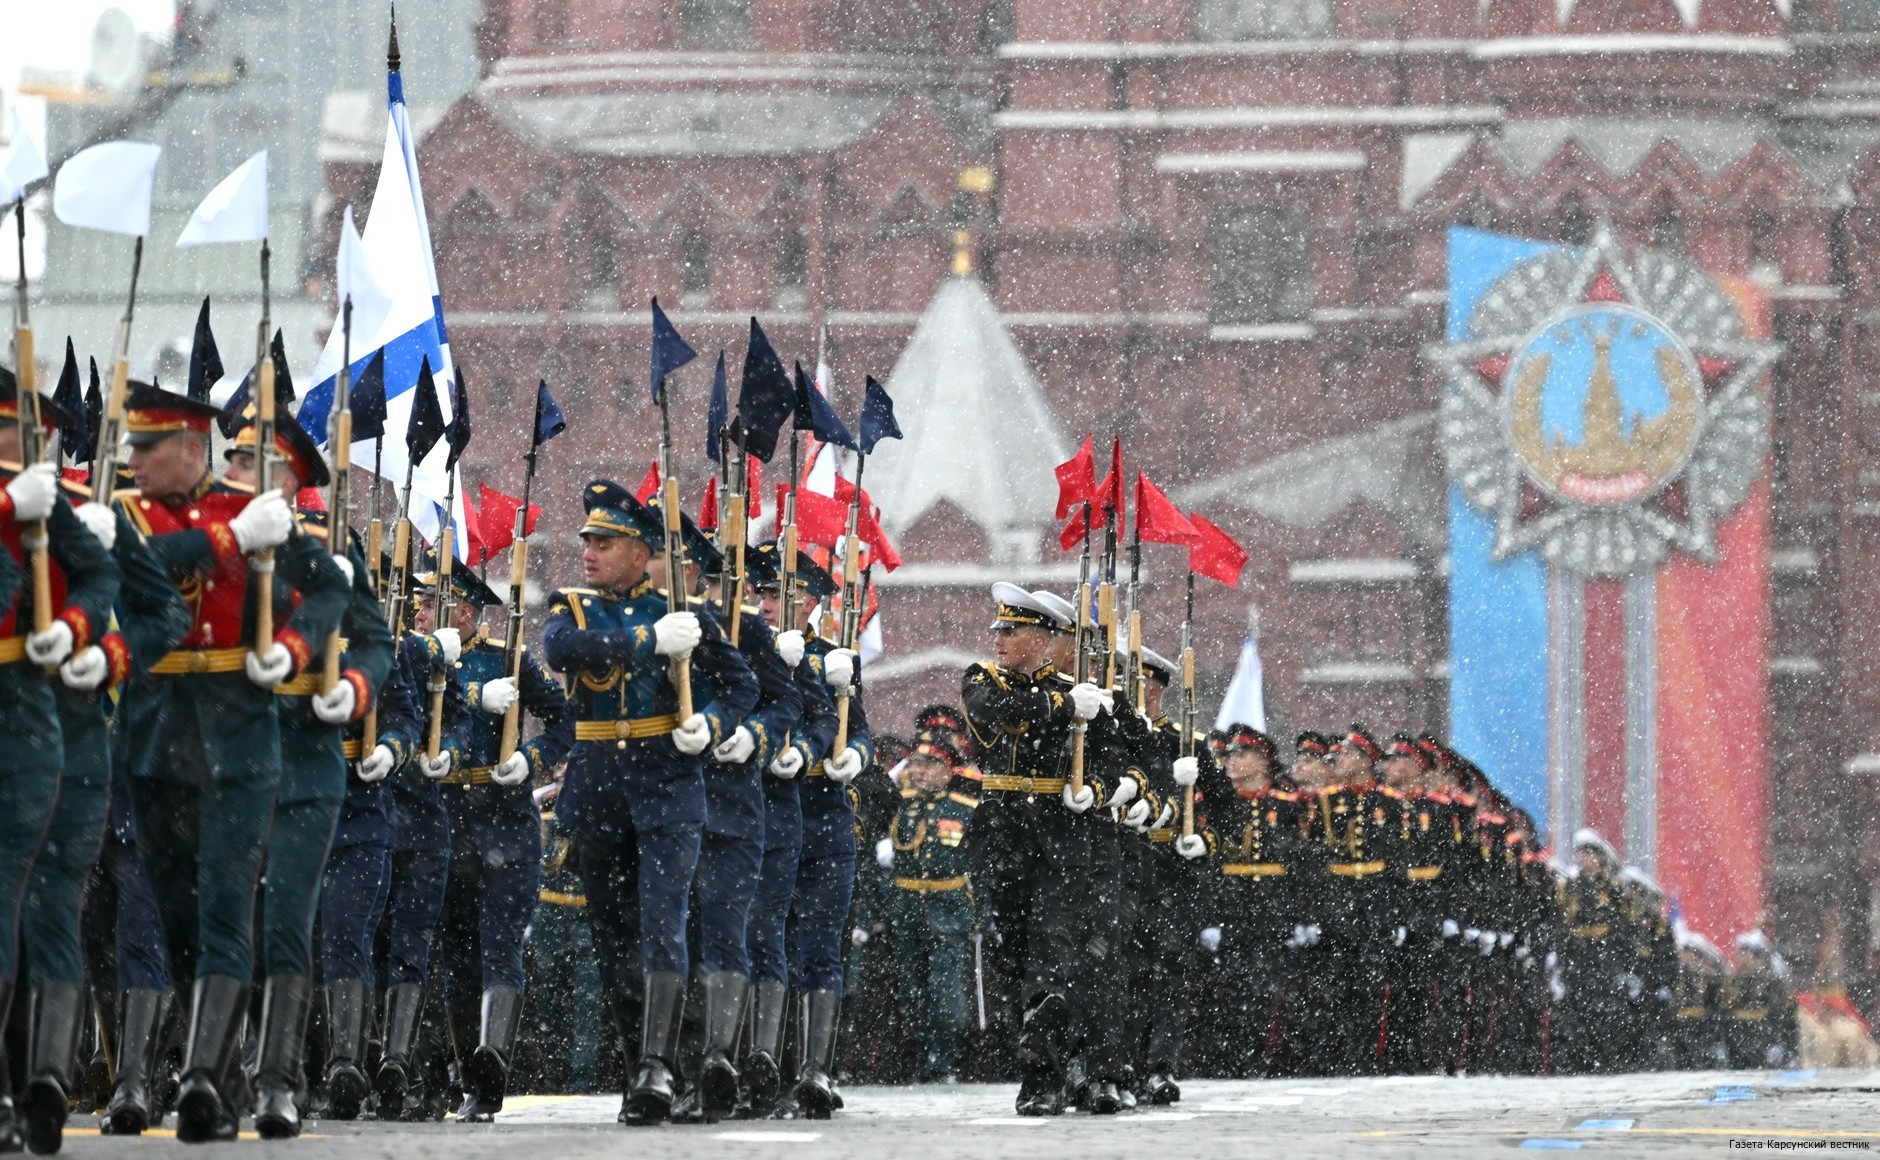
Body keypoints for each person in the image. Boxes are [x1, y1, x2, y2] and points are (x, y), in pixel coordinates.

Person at [113, 382, 349, 1142]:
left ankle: (206, 1078)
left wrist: (296, 648)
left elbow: (334, 591)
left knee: (227, 910)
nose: (136, 461)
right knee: (176, 916)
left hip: (240, 740)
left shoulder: (249, 514)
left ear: (190, 449)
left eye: (149, 449)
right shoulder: (123, 515)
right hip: (154, 738)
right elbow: (135, 566)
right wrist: (228, 542)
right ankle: (211, 1062)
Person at [540, 480, 757, 1125]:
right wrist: (646, 644)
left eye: (605, 543)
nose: (590, 553)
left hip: (668, 786)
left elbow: (741, 687)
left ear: (640, 551)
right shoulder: (573, 608)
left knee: (665, 924)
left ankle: (661, 1067)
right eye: (587, 542)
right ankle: (646, 1062)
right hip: (600, 790)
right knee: (616, 937)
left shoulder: (684, 613)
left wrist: (712, 726)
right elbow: (560, 651)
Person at [220, 409, 398, 1138]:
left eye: (247, 461)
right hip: (218, 750)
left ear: (288, 480)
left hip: (302, 753)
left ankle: (275, 1081)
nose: (230, 470)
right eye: (228, 457)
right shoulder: (202, 536)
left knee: (288, 917)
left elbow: (376, 642)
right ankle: (216, 1064)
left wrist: (351, 688)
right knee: (224, 919)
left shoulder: (330, 546)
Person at [0, 371, 126, 1153]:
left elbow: (115, 586)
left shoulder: (56, 508)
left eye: (19, 433)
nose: (15, 446)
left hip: (30, 721)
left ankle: (29, 1085)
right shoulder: (20, 507)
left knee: (30, 904)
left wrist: (81, 630)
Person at [958, 583, 1120, 1116]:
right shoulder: (984, 678)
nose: (1000, 640)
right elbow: (998, 710)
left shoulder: (1084, 695)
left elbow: (1122, 759)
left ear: (1045, 639)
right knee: (1011, 957)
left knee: (1053, 953)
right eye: (999, 630)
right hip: (1003, 833)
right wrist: (1061, 703)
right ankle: (1048, 1059)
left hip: (1060, 836)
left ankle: (1044, 1074)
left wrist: (1099, 788)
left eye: (1012, 631)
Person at [657, 518, 798, 1124]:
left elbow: (791, 700)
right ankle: (670, 1071)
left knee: (723, 936)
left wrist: (753, 735)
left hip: (732, 807)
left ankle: (715, 1065)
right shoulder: (637, 626)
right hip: (662, 805)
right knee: (669, 941)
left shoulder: (743, 629)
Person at [435, 565, 572, 1121]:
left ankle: (491, 1068)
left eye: (435, 602)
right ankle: (467, 1075)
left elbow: (564, 719)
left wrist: (530, 759)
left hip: (502, 815)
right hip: (445, 815)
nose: (422, 611)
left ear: (466, 611)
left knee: (500, 946)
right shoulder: (423, 656)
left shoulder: (507, 657)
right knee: (455, 954)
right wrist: (469, 693)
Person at [740, 542, 837, 1118]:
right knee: (754, 937)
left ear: (810, 603)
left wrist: (837, 753)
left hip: (818, 816)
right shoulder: (746, 647)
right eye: (765, 594)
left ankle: (815, 1071)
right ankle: (759, 1066)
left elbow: (852, 732)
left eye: (784, 594)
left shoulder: (827, 660)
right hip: (758, 808)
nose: (771, 604)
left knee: (815, 948)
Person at [375, 568, 471, 1120]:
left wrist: (449, 753)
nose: (416, 609)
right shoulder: (376, 644)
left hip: (420, 820)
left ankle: (415, 1073)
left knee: (415, 949)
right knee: (368, 947)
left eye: (425, 603)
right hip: (370, 817)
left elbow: (455, 718)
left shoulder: (431, 657)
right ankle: (368, 1065)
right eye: (410, 602)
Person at [880, 731, 976, 1083]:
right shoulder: (900, 803)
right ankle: (919, 1055)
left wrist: (981, 913)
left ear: (949, 770)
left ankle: (942, 1059)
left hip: (948, 906)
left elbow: (979, 866)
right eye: (917, 763)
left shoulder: (964, 809)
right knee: (910, 987)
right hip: (906, 905)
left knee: (945, 990)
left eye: (930, 763)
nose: (919, 770)